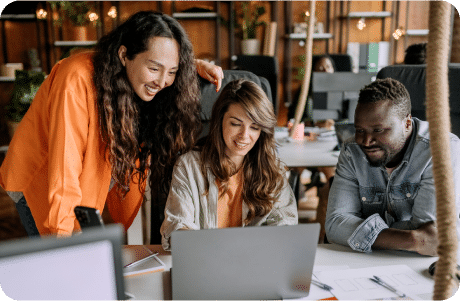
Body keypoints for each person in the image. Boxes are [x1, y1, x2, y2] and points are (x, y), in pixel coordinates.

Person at [0, 11, 224, 237]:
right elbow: (64, 166)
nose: (162, 81)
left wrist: (191, 67)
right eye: (155, 69)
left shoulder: (137, 74)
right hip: (41, 181)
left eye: (172, 71)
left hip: (86, 180)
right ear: (124, 54)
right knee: (57, 258)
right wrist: (64, 241)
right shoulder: (75, 79)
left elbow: (160, 62)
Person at [325, 78, 460, 256]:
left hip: (420, 264)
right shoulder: (352, 151)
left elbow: (432, 234)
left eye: (378, 130)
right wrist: (413, 240)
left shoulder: (441, 148)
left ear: (406, 124)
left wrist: (359, 231)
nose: (366, 141)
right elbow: (335, 225)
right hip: (368, 261)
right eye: (360, 130)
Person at [160, 79, 298, 250]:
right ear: (220, 121)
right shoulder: (189, 166)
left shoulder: (272, 170)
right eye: (235, 124)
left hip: (255, 266)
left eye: (254, 127)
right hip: (205, 263)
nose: (244, 136)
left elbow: (286, 225)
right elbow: (177, 226)